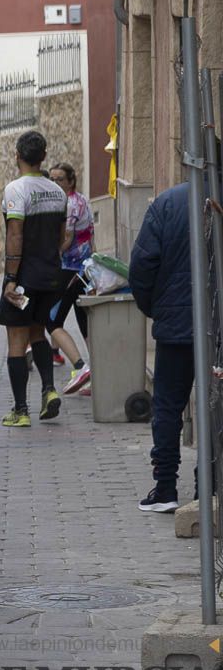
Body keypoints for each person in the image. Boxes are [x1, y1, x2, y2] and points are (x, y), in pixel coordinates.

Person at [0, 132, 70, 428]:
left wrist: (11, 278)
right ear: (43, 156)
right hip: (51, 275)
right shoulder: (58, 192)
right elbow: (61, 235)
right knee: (38, 332)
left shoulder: (16, 189)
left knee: (17, 340)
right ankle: (49, 390)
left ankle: (21, 409)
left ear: (17, 155)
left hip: (24, 275)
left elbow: (15, 234)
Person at [129, 182, 193, 512]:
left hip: (175, 328)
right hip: (213, 324)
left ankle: (166, 487)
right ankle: (208, 487)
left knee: (167, 407)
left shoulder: (168, 203)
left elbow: (141, 266)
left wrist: (155, 306)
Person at [45, 163, 93, 394]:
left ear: (71, 181)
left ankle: (81, 367)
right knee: (85, 321)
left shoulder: (70, 204)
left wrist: (48, 257)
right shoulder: (82, 200)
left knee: (52, 321)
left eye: (60, 179)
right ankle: (101, 374)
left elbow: (66, 239)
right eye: (52, 179)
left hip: (69, 269)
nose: (55, 184)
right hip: (84, 268)